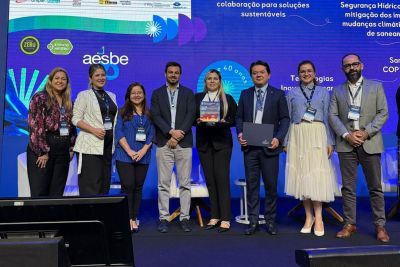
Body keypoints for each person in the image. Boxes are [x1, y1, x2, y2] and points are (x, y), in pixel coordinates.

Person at [329, 53, 390, 242]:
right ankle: (349, 224)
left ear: (361, 65)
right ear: (343, 69)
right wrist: (347, 135)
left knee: (375, 187)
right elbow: (332, 116)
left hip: (369, 142)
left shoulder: (376, 86)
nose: (352, 68)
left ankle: (380, 226)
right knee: (348, 188)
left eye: (355, 64)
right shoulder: (337, 91)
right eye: (347, 66)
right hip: (346, 145)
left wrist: (365, 133)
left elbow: (383, 113)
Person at [284, 60, 339, 236]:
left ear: (314, 73)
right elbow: (287, 119)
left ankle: (319, 217)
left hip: (318, 134)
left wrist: (330, 141)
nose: (306, 74)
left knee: (316, 177)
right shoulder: (291, 92)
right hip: (298, 135)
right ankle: (309, 217)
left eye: (309, 71)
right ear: (298, 74)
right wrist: (285, 142)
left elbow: (329, 119)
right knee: (302, 177)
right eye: (302, 71)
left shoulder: (323, 92)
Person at [236, 60, 290, 235]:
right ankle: (252, 222)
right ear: (251, 75)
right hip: (250, 148)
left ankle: (270, 221)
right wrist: (240, 133)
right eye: (254, 72)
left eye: (261, 72)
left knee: (270, 186)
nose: (258, 75)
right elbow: (239, 118)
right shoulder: (244, 94)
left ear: (269, 75)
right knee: (252, 186)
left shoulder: (278, 94)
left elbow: (285, 120)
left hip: (270, 148)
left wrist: (278, 138)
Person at [150, 61, 196, 233]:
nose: (173, 75)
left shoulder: (188, 93)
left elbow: (191, 115)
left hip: (183, 143)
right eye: (170, 72)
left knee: (185, 183)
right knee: (163, 183)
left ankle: (184, 217)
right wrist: (170, 132)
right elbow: (155, 115)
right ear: (165, 74)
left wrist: (178, 135)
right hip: (164, 143)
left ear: (180, 75)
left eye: (176, 72)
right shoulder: (157, 94)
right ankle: (164, 217)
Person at [195, 69, 237, 232]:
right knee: (210, 181)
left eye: (215, 79)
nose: (212, 81)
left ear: (220, 81)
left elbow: (234, 119)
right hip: (204, 144)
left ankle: (225, 218)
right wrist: (198, 121)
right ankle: (215, 216)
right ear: (205, 82)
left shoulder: (228, 99)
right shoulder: (198, 98)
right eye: (209, 79)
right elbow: (191, 118)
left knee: (222, 180)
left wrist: (222, 122)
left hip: (222, 144)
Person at [27, 67, 77, 197]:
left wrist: (71, 147)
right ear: (50, 80)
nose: (60, 81)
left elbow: (72, 126)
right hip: (44, 147)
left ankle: (53, 217)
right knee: (40, 191)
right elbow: (35, 125)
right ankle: (39, 218)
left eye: (63, 79)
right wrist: (42, 151)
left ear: (67, 82)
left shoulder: (68, 102)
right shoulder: (40, 97)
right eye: (57, 78)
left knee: (57, 192)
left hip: (63, 150)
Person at [114, 82, 154, 232]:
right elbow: (118, 132)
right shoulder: (122, 112)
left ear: (144, 95)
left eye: (139, 92)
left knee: (138, 187)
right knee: (128, 186)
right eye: (133, 93)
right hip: (124, 155)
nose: (137, 95)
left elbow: (152, 133)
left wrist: (143, 150)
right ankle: (126, 218)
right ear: (128, 96)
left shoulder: (149, 114)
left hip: (143, 156)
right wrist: (130, 151)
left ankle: (133, 217)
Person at [72, 64, 118, 196]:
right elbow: (75, 119)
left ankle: (100, 216)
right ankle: (88, 215)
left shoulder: (112, 95)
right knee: (91, 185)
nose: (101, 78)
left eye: (103, 75)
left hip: (107, 147)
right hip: (89, 148)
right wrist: (93, 130)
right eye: (97, 75)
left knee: (104, 185)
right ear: (90, 78)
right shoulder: (84, 95)